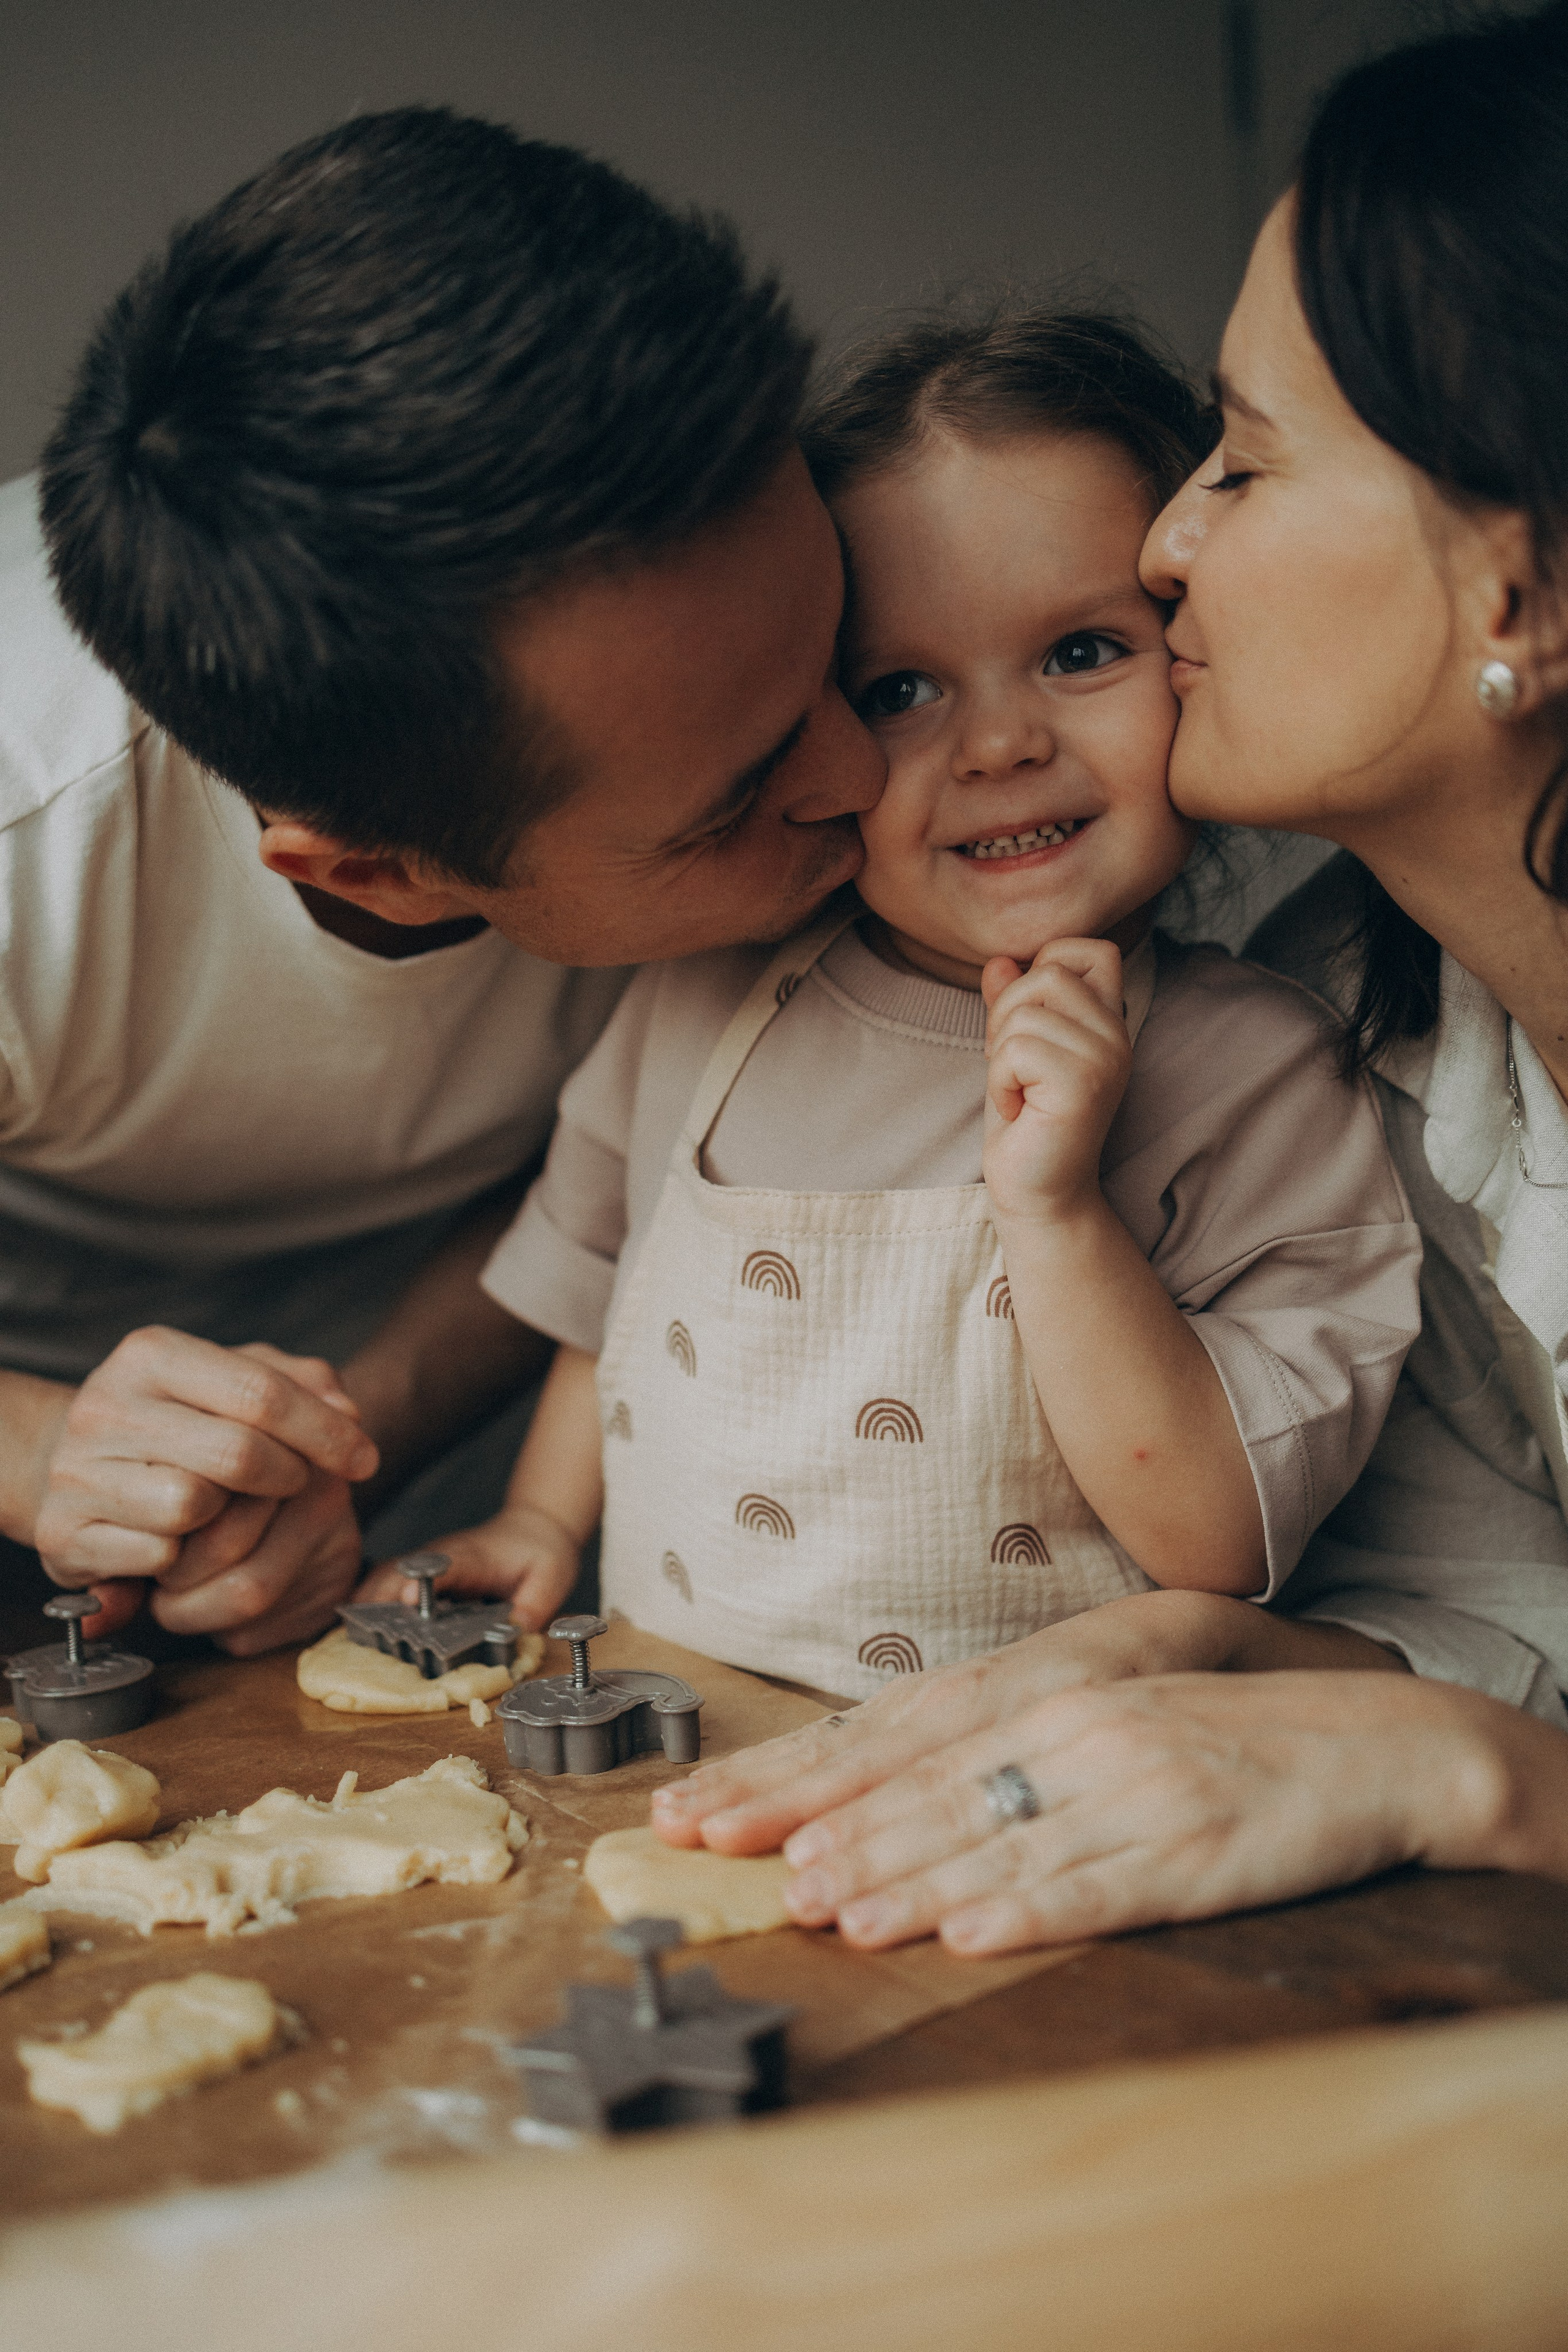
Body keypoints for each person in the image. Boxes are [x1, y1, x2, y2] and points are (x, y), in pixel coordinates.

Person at [651, 0, 1568, 1947]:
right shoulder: (1377, 1009)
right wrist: (1229, 1653)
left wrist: (1473, 1771)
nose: (1162, 547)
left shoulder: (1249, 1073)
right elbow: (1507, 1608)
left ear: (1525, 584)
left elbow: (1499, 1735)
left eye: (1241, 463)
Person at [396, 312, 1419, 1705]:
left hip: (1010, 1796)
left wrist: (1056, 1211)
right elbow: (600, 1280)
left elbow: (1218, 1545)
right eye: (897, 688)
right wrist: (539, 1518)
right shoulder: (702, 990)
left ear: (1196, 648)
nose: (998, 744)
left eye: (1079, 652)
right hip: (664, 1733)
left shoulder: (1268, 1072)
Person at [9, 108, 880, 1650]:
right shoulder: (28, 837)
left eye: (850, 661)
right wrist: (45, 1451)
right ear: (376, 873)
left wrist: (361, 1431)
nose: (867, 781)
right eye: (740, 793)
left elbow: (629, 1179)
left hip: (504, 1442)